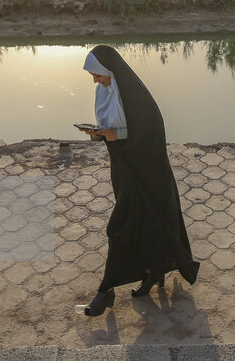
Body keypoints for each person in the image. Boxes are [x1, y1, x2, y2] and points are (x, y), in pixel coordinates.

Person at [78, 45, 199, 316]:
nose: (95, 81)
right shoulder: (105, 92)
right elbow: (116, 130)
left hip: (147, 174)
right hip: (124, 171)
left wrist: (113, 135)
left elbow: (146, 133)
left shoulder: (137, 98)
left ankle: (106, 291)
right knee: (146, 224)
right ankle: (153, 271)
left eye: (97, 75)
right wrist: (100, 133)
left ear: (110, 70)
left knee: (118, 229)